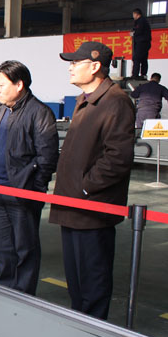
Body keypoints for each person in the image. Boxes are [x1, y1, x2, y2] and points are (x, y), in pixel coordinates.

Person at [53, 41, 135, 320]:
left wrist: (85, 187)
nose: (71, 68)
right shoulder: (86, 100)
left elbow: (118, 157)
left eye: (76, 63)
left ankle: (93, 330)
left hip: (91, 208)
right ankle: (80, 325)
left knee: (93, 279)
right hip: (73, 205)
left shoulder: (115, 101)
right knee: (77, 279)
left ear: (96, 66)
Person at [0, 61, 59, 295]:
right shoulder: (0, 111)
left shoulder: (39, 112)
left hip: (22, 193)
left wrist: (33, 187)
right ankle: (5, 290)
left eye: (1, 85)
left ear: (19, 84)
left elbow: (47, 157)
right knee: (2, 246)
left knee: (25, 248)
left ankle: (24, 294)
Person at [131, 8, 152, 79]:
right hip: (145, 43)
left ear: (136, 14)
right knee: (143, 59)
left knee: (137, 58)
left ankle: (135, 75)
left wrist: (134, 33)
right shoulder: (144, 21)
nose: (133, 16)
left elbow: (139, 30)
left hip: (141, 42)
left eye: (133, 14)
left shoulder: (141, 21)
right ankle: (143, 74)